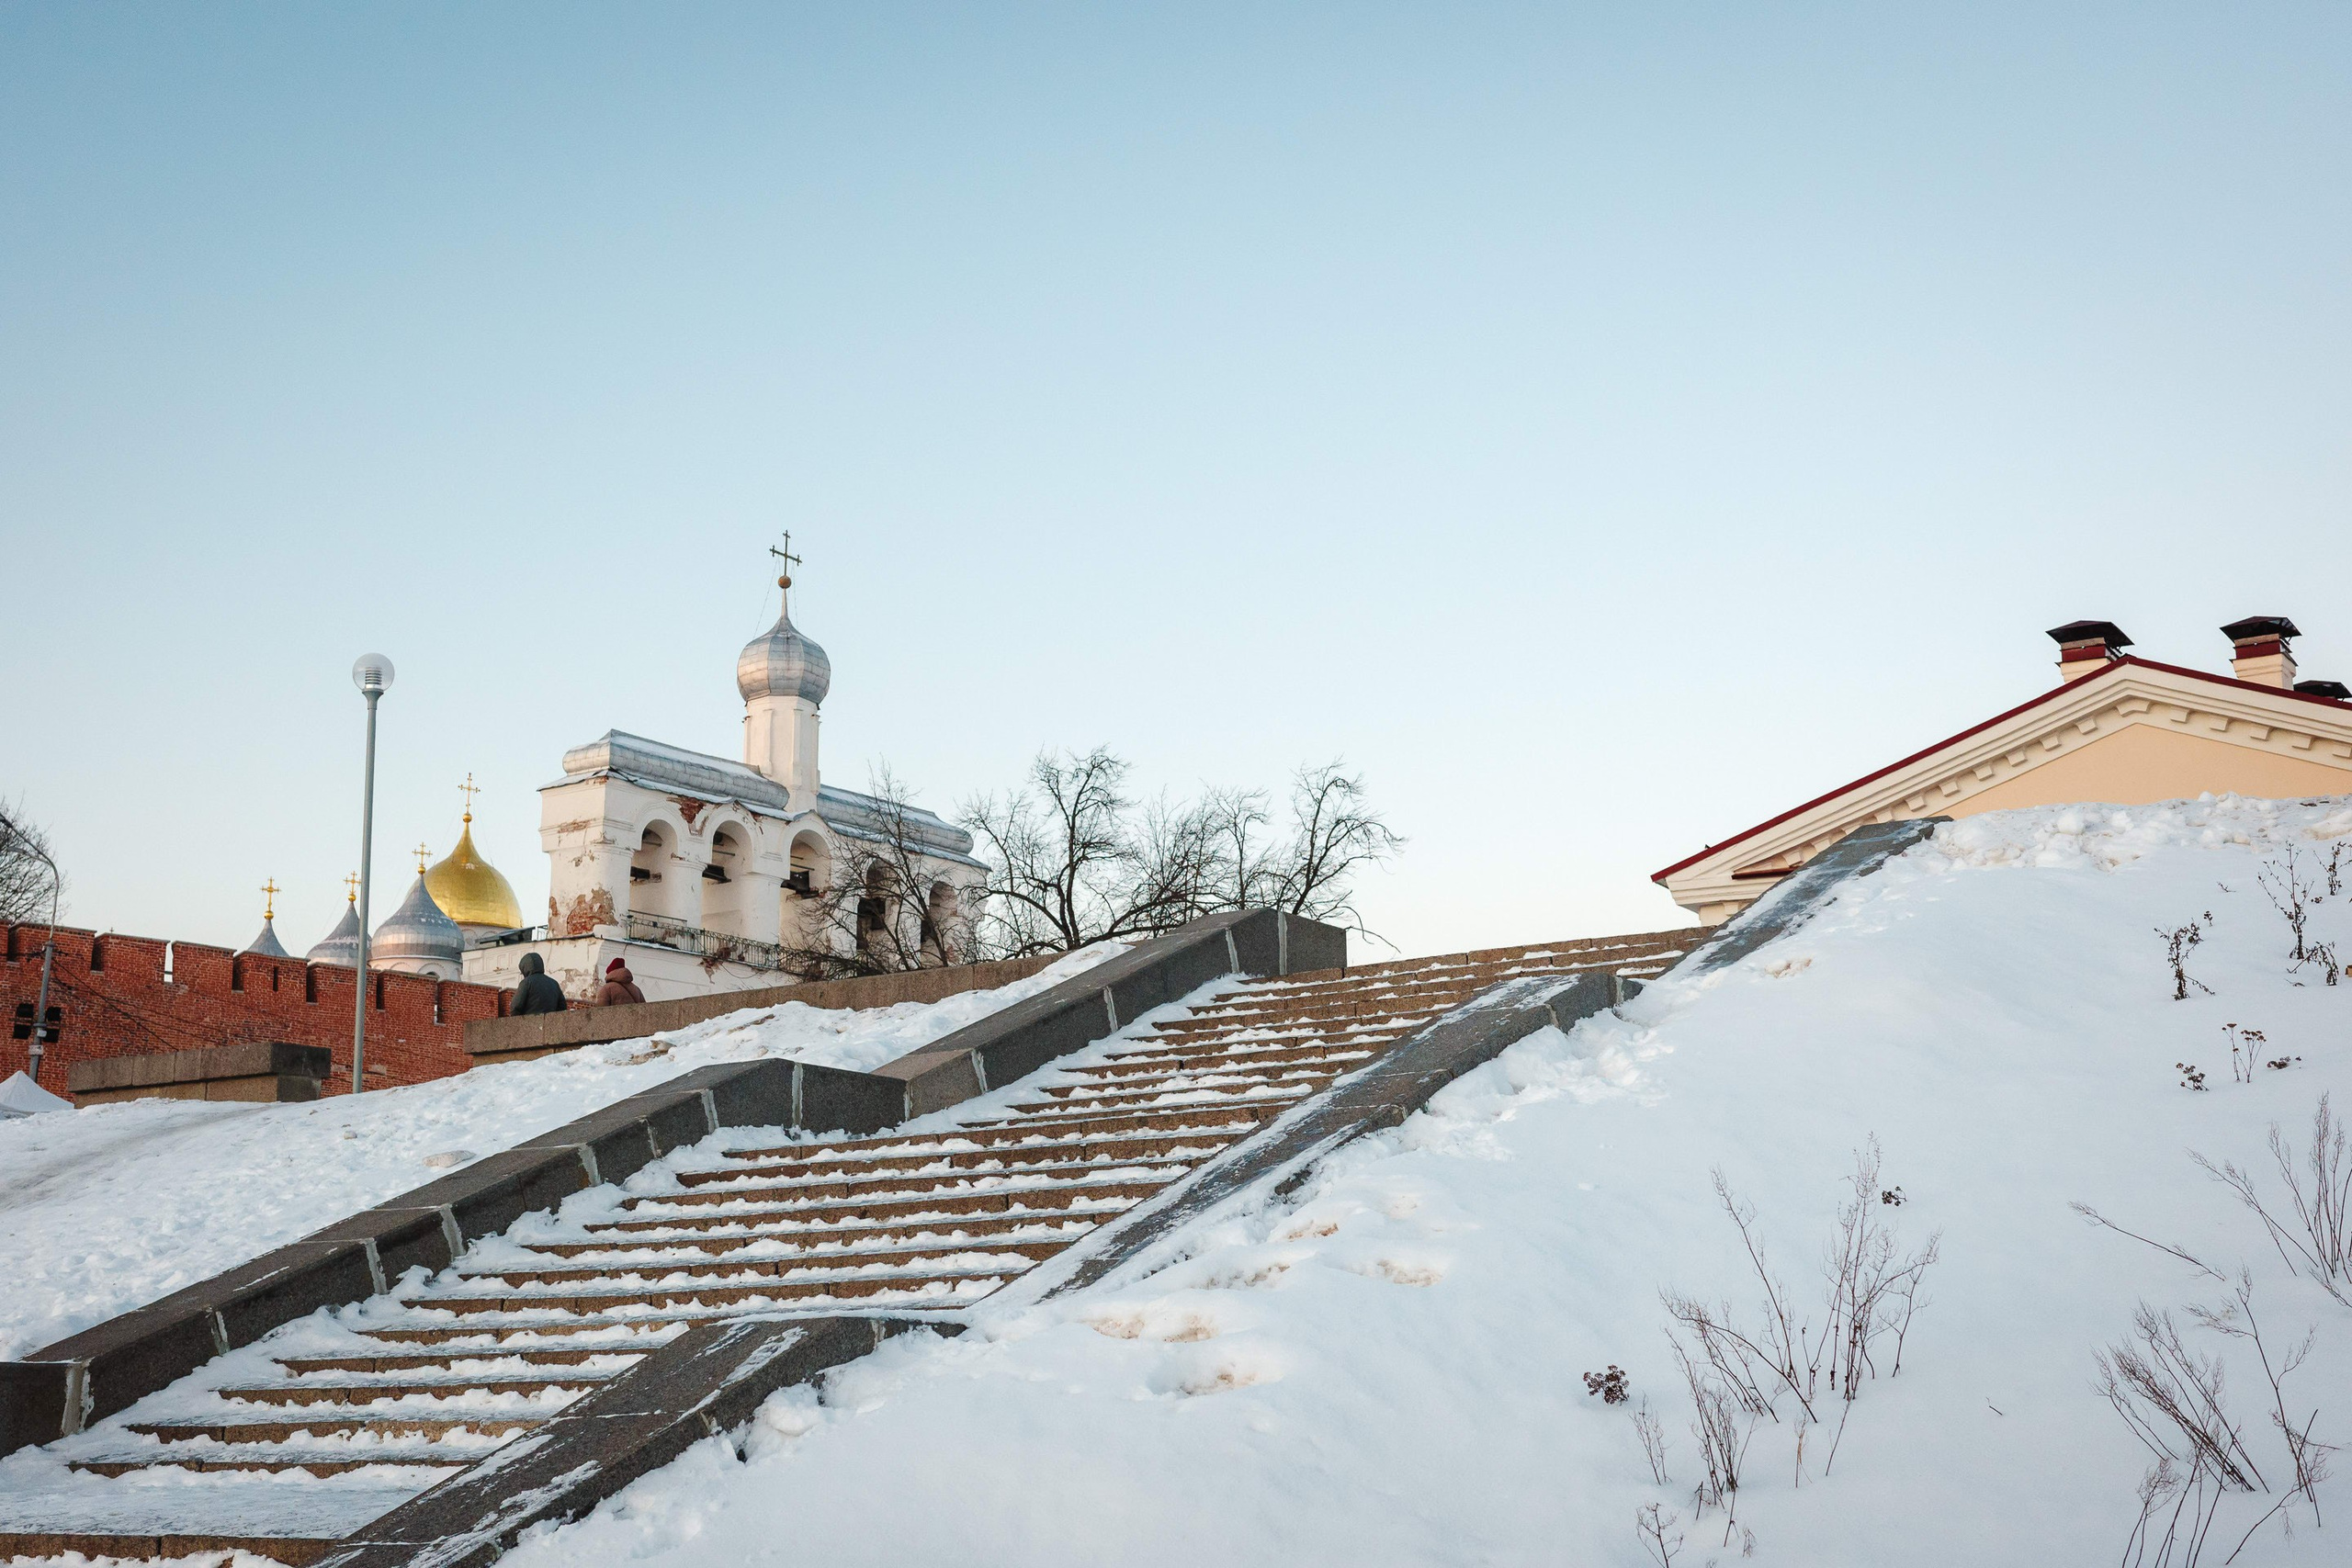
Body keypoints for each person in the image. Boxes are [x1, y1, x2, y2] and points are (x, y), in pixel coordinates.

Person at [508, 952, 568, 1016]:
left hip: (529, 1023)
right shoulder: (554, 983)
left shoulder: (526, 982)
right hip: (551, 1023)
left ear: (525, 969)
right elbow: (562, 1007)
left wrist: (518, 1023)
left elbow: (515, 1007)